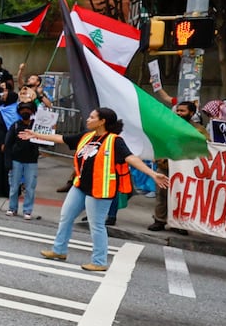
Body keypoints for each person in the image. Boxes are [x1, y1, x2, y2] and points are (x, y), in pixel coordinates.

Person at [25, 108, 168, 271]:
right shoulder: (87, 136)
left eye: (92, 117)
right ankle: (59, 250)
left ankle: (99, 261)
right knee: (65, 217)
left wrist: (152, 173)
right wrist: (36, 135)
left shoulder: (115, 141)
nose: (88, 119)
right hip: (80, 185)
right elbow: (61, 138)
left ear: (102, 121)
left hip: (100, 189)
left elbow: (131, 158)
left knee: (96, 225)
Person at [148, 101, 205, 231]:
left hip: (185, 170)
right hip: (165, 166)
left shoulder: (198, 130)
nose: (179, 113)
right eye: (177, 110)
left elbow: (207, 146)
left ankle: (179, 224)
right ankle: (159, 220)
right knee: (162, 194)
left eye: (182, 111)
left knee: (182, 197)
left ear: (191, 113)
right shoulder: (167, 126)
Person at [4, 102, 40, 219]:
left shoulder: (37, 127)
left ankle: (27, 210)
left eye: (28, 110)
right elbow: (8, 144)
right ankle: (12, 208)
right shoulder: (15, 126)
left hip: (31, 161)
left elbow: (46, 142)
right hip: (16, 160)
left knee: (30, 187)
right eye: (23, 110)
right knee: (14, 186)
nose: (26, 112)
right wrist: (8, 161)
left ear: (33, 112)